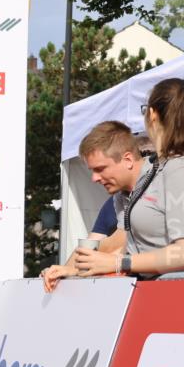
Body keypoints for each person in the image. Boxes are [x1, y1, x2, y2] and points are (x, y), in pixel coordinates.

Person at [74, 79, 184, 279]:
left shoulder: (182, 170)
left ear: (152, 114)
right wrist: (74, 270)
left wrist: (120, 263)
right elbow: (127, 243)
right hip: (166, 294)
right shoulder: (159, 168)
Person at [41, 122, 143, 291]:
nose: (94, 178)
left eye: (100, 169)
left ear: (128, 160)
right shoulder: (121, 196)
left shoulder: (157, 188)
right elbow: (105, 244)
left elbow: (116, 246)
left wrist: (73, 270)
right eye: (92, 171)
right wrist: (62, 272)